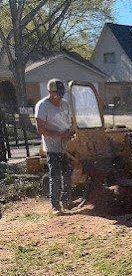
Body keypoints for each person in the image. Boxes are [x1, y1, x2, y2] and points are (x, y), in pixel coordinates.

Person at [35, 79, 74, 214]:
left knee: (68, 173)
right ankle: (55, 206)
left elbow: (71, 122)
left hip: (66, 146)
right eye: (58, 94)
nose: (60, 97)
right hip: (52, 147)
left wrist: (71, 131)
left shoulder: (65, 104)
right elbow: (40, 129)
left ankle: (66, 200)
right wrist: (59, 135)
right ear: (50, 93)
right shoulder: (43, 106)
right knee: (55, 175)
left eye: (62, 94)